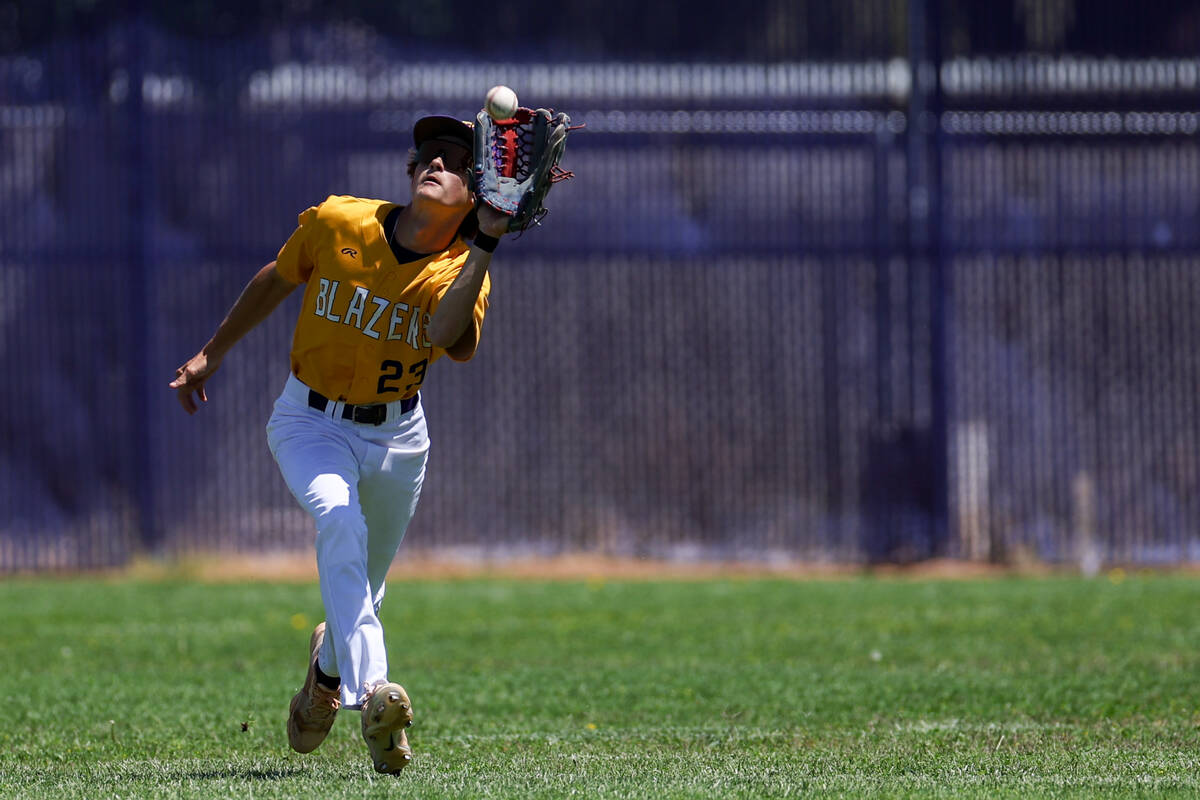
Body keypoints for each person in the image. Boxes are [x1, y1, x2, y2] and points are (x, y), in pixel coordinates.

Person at [169, 115, 510, 775]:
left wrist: (488, 244)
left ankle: (324, 677)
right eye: (429, 154)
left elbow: (447, 334)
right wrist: (211, 353)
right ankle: (375, 695)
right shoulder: (339, 222)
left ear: (478, 195)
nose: (438, 163)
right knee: (337, 518)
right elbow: (277, 275)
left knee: (363, 584)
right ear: (411, 170)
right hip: (311, 422)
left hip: (399, 440)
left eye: (458, 162)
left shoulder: (462, 268)